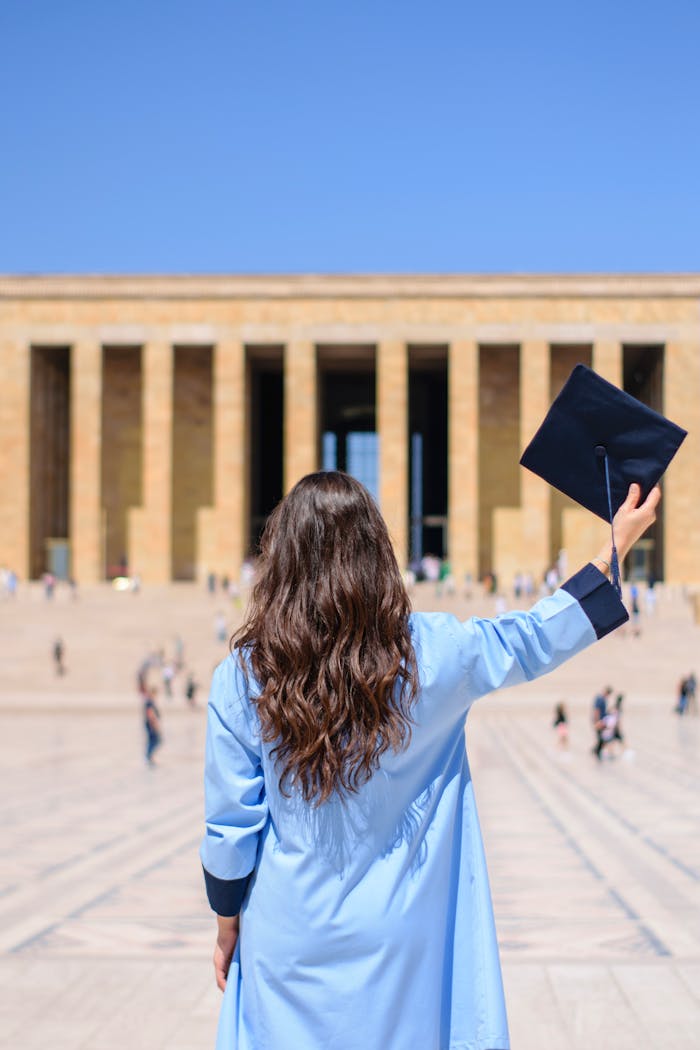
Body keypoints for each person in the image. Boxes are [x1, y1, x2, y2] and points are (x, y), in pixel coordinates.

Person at [200, 472, 659, 1050]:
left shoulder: (242, 677)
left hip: (287, 931)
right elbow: (534, 637)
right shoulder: (430, 655)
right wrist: (613, 548)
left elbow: (229, 827)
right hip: (403, 939)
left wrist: (226, 923)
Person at [592, 685, 613, 760]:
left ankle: (596, 751)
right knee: (601, 738)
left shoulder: (603, 699)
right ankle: (596, 752)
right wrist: (597, 722)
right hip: (600, 721)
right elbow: (597, 711)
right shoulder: (600, 699)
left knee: (601, 738)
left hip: (602, 721)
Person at [143, 687, 162, 765]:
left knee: (153, 741)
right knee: (154, 740)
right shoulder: (150, 702)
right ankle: (149, 756)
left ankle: (149, 756)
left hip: (150, 724)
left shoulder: (149, 701)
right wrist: (155, 725)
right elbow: (150, 714)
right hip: (151, 724)